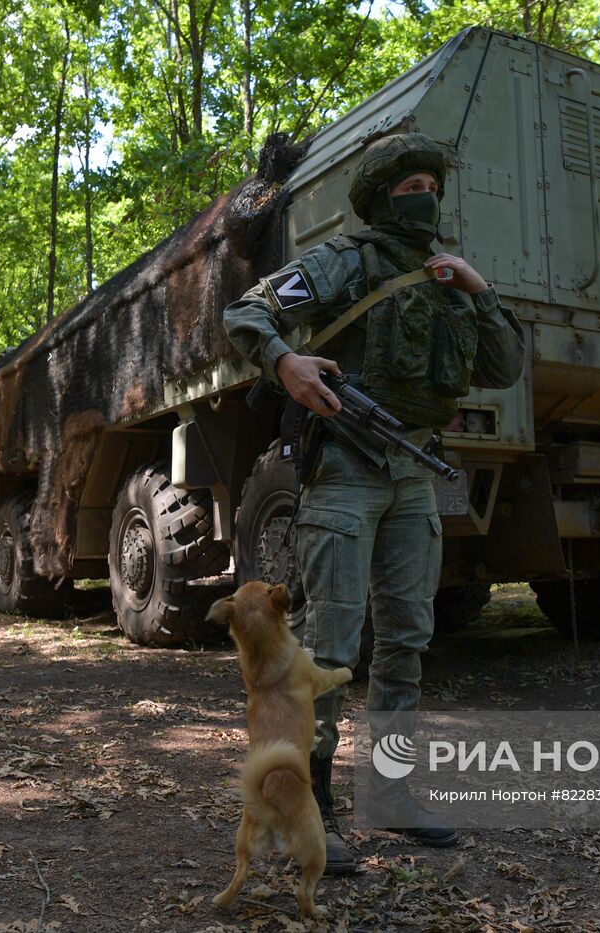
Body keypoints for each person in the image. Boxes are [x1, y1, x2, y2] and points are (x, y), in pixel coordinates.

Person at [222, 132, 525, 874]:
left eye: (431, 182)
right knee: (328, 645)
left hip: (414, 471)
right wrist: (285, 361)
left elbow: (507, 363)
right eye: (408, 183)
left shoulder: (446, 275)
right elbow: (247, 313)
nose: (422, 193)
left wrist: (479, 289)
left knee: (407, 641)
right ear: (381, 195)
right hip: (349, 469)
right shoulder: (344, 261)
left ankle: (392, 791)